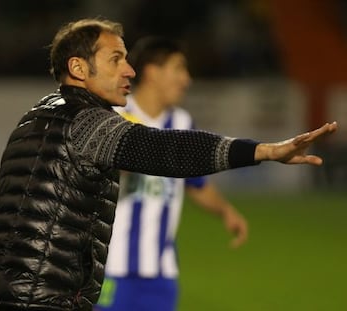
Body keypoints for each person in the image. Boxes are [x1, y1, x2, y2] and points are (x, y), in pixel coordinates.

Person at [0, 18, 337, 311]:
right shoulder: (92, 122)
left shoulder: (32, 119)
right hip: (48, 296)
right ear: (78, 67)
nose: (129, 70)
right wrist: (265, 151)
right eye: (116, 59)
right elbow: (168, 151)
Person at [95, 36, 248, 311]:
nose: (186, 79)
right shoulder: (114, 115)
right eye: (178, 69)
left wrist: (225, 211)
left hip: (161, 273)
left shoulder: (181, 123)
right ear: (153, 72)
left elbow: (196, 185)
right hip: (109, 267)